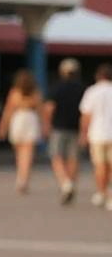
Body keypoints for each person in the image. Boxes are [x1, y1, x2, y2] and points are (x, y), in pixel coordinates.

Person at [42, 58, 85, 204]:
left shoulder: (56, 88)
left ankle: (65, 183)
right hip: (76, 128)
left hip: (58, 128)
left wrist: (46, 125)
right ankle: (71, 183)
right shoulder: (82, 89)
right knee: (74, 158)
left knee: (56, 157)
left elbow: (49, 108)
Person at [0, 68, 43, 194]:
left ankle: (20, 177)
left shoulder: (14, 92)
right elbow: (40, 111)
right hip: (31, 119)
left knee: (19, 152)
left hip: (18, 119)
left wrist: (2, 127)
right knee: (28, 153)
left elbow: (8, 111)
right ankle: (24, 179)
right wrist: (44, 126)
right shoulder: (35, 93)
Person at [79, 62, 112, 211]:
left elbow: (86, 115)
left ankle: (102, 192)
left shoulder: (92, 91)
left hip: (97, 133)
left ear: (98, 76)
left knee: (100, 165)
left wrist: (83, 134)